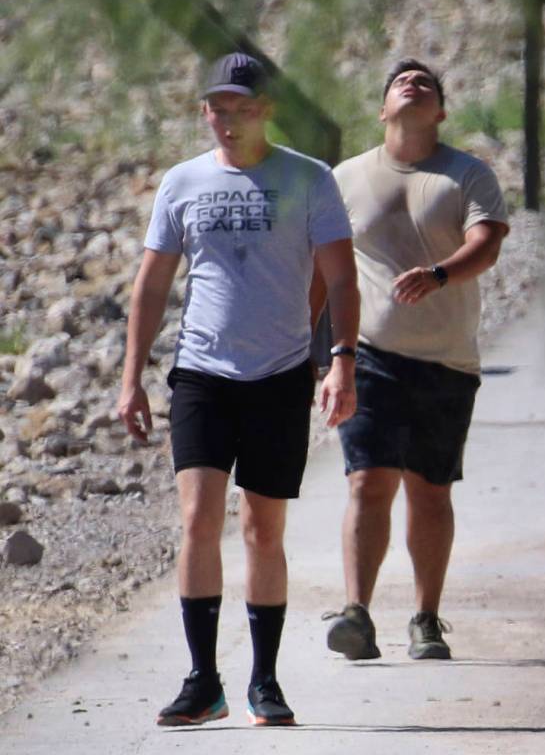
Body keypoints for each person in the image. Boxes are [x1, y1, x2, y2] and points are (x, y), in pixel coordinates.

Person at [117, 52, 359, 727]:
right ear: (205, 112)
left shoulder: (307, 179)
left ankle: (265, 680)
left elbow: (341, 277)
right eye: (218, 107)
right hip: (201, 371)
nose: (228, 119)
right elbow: (154, 283)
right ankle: (202, 680)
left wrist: (340, 360)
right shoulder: (182, 182)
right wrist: (131, 376)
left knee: (261, 528)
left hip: (280, 372)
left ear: (268, 110)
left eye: (242, 107)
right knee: (196, 518)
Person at [324, 57, 508, 662]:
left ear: (441, 111)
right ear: (382, 110)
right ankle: (356, 613)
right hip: (370, 355)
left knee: (430, 489)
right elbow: (323, 270)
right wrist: (324, 355)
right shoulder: (346, 177)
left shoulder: (467, 174)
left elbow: (486, 245)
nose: (413, 83)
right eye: (400, 81)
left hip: (447, 361)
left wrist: (438, 274)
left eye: (425, 82)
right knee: (366, 481)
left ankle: (426, 618)